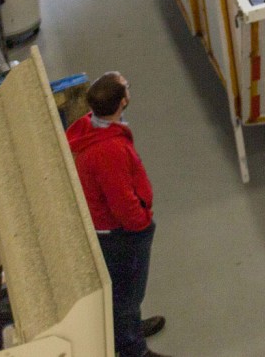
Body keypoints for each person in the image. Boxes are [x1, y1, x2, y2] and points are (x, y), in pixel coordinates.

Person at [66, 73, 169, 357]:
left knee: (125, 293)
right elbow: (122, 204)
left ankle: (131, 328)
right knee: (127, 294)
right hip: (121, 234)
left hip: (110, 231)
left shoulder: (90, 128)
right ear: (122, 102)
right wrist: (143, 222)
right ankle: (133, 348)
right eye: (126, 86)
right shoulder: (107, 150)